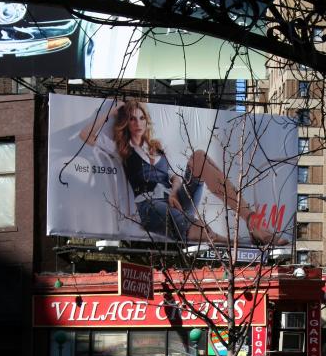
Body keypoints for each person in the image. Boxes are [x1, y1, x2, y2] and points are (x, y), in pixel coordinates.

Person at [81, 100, 288, 246]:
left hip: (175, 200)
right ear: (126, 123)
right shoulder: (122, 149)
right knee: (202, 228)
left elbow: (174, 177)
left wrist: (174, 192)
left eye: (141, 118)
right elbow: (86, 135)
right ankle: (233, 243)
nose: (138, 123)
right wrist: (109, 113)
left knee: (198, 157)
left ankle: (253, 223)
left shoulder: (157, 148)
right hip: (150, 208)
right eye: (132, 119)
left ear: (146, 121)